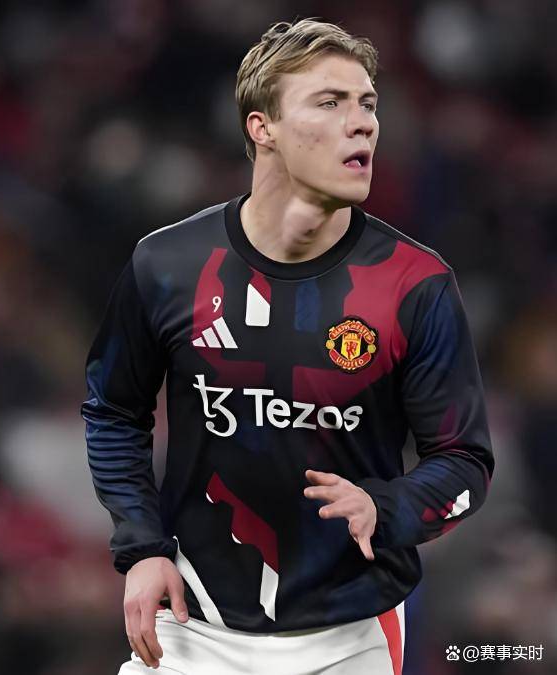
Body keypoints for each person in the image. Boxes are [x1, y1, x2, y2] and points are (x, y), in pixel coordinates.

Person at [81, 17, 494, 675]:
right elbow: (112, 411)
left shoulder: (415, 284)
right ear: (262, 127)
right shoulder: (167, 264)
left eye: (368, 104)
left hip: (349, 636)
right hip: (192, 626)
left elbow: (465, 461)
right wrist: (141, 547)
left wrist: (387, 506)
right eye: (330, 102)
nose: (362, 124)